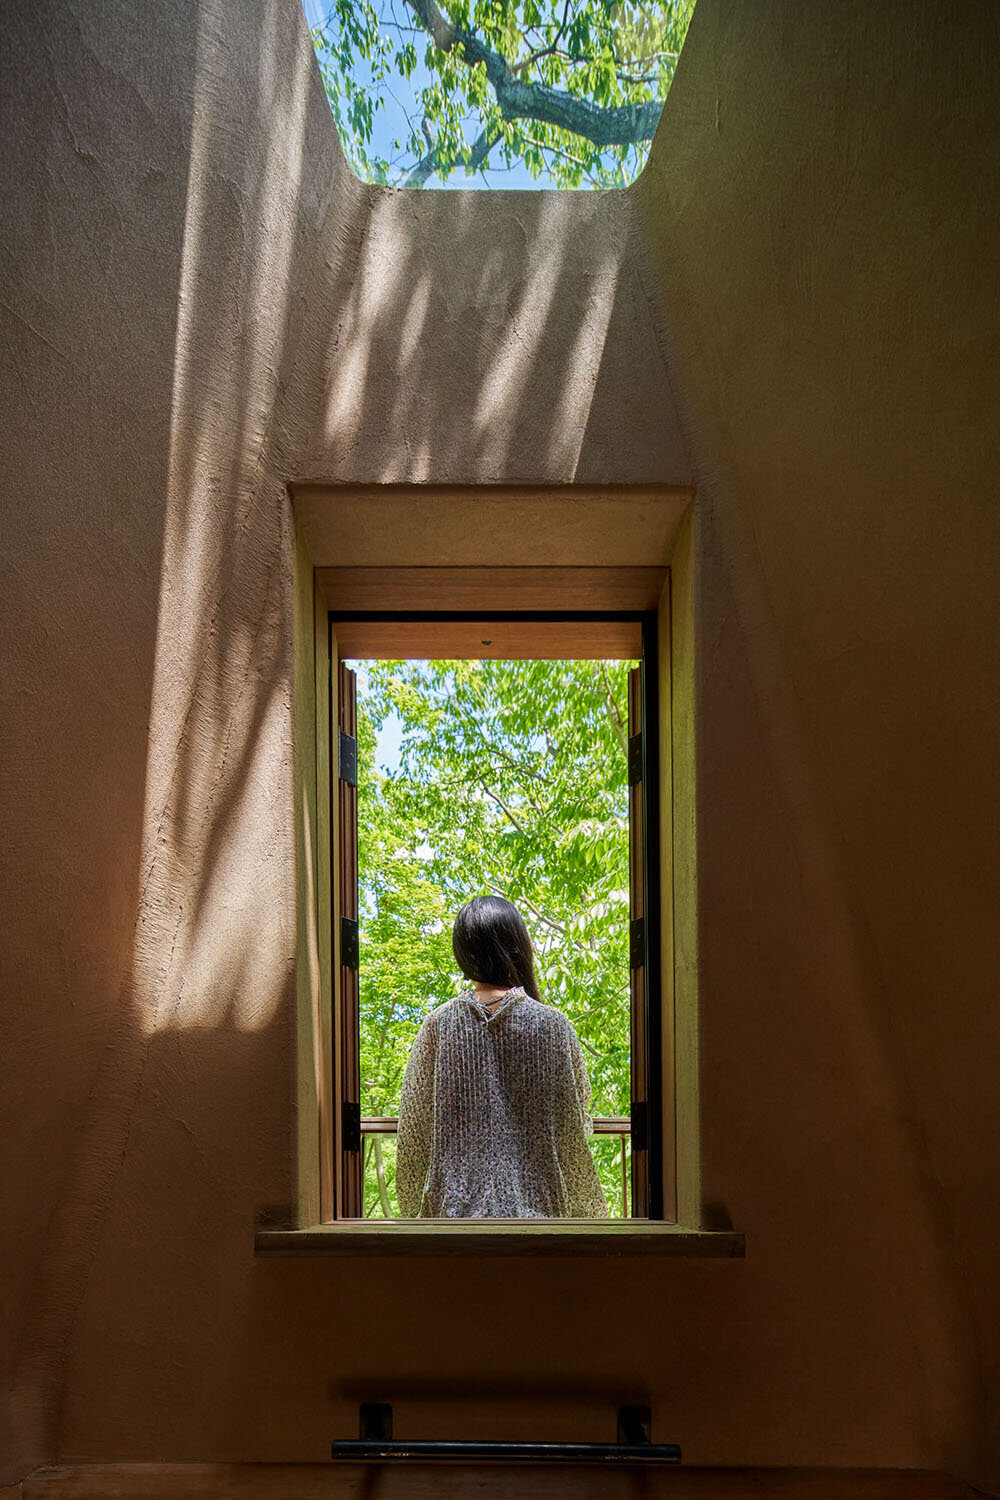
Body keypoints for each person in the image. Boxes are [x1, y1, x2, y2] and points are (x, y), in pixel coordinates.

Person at [395, 894, 608, 1218]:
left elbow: (413, 1132)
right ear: (518, 945)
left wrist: (415, 1215)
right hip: (540, 1219)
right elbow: (576, 1119)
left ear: (463, 953)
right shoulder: (553, 1026)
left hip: (453, 1222)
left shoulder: (438, 1025)